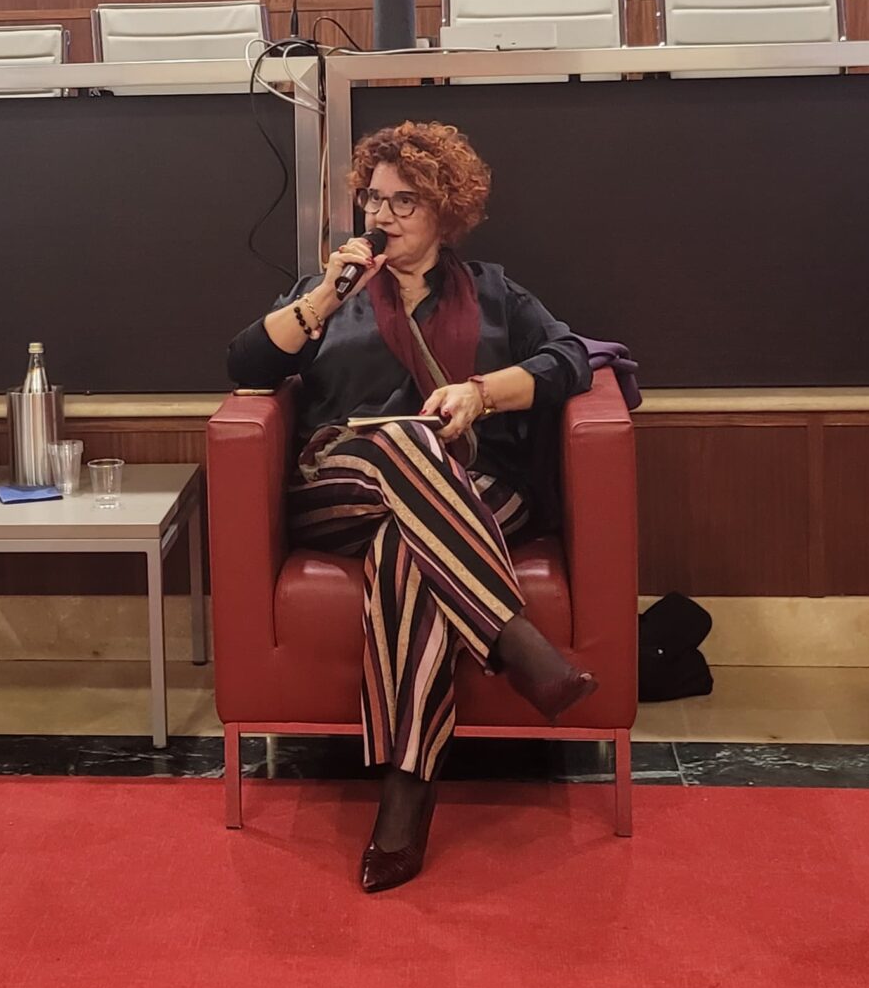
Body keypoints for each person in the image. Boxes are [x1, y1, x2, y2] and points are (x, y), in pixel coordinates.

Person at [227, 121, 596, 892]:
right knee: (400, 439)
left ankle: (406, 794)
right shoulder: (329, 292)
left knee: (407, 549)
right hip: (342, 486)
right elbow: (246, 364)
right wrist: (326, 296)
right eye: (373, 199)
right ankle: (514, 638)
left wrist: (481, 393)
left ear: (444, 212)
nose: (383, 216)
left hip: (471, 489)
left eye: (405, 202)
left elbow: (569, 358)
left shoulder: (494, 293)